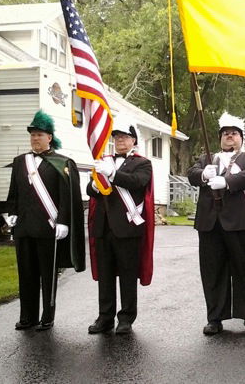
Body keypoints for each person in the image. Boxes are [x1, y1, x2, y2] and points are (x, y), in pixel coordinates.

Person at [6, 110, 84, 331]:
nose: (35, 139)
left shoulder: (63, 163)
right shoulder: (20, 162)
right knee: (26, 274)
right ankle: (27, 317)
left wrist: (64, 221)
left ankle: (47, 317)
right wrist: (11, 211)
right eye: (32, 135)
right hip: (24, 228)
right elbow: (14, 192)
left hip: (48, 228)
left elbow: (68, 197)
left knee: (48, 276)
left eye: (39, 135)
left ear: (49, 137)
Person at [188, 112, 245, 335]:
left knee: (244, 272)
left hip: (240, 223)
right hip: (210, 224)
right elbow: (191, 174)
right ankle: (215, 318)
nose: (229, 137)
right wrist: (203, 174)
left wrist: (227, 181)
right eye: (225, 134)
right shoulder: (207, 158)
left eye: (234, 133)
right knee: (212, 273)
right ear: (220, 138)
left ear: (241, 137)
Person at [87, 116, 154, 335]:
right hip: (104, 226)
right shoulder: (105, 160)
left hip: (127, 226)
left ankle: (126, 317)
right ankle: (105, 317)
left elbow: (137, 183)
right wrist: (96, 184)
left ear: (134, 140)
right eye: (117, 137)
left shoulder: (142, 163)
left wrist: (113, 174)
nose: (120, 141)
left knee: (127, 274)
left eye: (124, 137)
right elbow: (90, 189)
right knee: (105, 275)